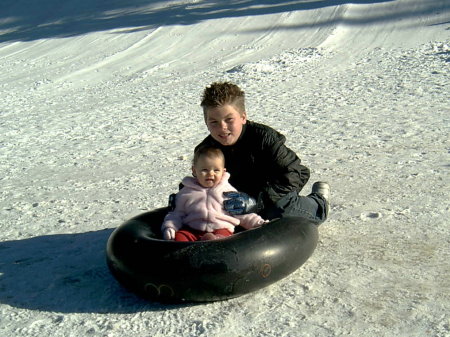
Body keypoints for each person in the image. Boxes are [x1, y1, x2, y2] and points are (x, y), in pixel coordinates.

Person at [195, 81, 330, 223]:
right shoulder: (206, 150)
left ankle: (319, 203)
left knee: (280, 209)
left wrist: (257, 202)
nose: (222, 127)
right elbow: (198, 181)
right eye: (214, 122)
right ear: (206, 122)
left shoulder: (264, 138)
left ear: (243, 117)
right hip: (235, 202)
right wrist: (182, 199)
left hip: (272, 195)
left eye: (229, 120)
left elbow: (293, 174)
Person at [161, 146, 267, 241]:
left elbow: (241, 213)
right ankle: (181, 255)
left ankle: (213, 242)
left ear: (223, 171)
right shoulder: (186, 193)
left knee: (223, 239)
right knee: (180, 237)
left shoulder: (227, 192)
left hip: (221, 229)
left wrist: (258, 223)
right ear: (194, 170)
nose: (210, 173)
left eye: (216, 170)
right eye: (204, 170)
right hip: (193, 230)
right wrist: (170, 227)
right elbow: (176, 213)